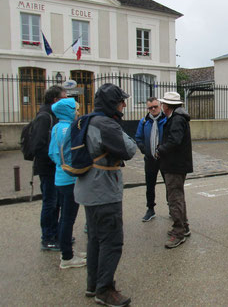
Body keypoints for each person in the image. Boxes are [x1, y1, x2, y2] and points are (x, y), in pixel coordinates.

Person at [74, 83, 136, 306]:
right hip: (104, 191)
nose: (124, 105)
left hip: (86, 189)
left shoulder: (84, 120)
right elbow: (129, 149)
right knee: (112, 241)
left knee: (95, 239)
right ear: (113, 104)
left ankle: (93, 284)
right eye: (121, 101)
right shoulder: (107, 124)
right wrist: (120, 130)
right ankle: (105, 290)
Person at [48, 98, 86, 269]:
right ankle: (67, 257)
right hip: (71, 178)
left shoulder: (56, 128)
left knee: (64, 217)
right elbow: (77, 153)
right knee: (68, 219)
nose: (77, 112)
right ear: (69, 111)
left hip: (59, 176)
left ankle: (67, 251)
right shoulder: (71, 128)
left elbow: (51, 153)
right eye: (75, 109)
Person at [31, 85, 67, 251]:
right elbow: (38, 145)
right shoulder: (45, 117)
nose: (66, 100)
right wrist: (55, 156)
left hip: (55, 167)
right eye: (64, 97)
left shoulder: (53, 115)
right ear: (56, 100)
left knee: (57, 202)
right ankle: (48, 237)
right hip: (48, 168)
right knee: (50, 203)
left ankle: (57, 234)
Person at [156, 92, 193, 249]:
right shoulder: (178, 118)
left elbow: (174, 141)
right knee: (178, 196)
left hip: (174, 165)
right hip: (177, 164)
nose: (161, 107)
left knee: (174, 198)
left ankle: (178, 231)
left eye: (163, 104)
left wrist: (160, 149)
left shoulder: (176, 119)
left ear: (166, 106)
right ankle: (183, 226)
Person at [135, 97, 167, 222]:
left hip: (164, 159)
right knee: (150, 186)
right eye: (150, 107)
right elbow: (138, 138)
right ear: (147, 108)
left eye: (155, 106)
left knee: (168, 184)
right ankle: (150, 209)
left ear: (160, 106)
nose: (153, 109)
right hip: (150, 159)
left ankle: (171, 207)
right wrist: (145, 150)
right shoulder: (144, 121)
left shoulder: (166, 120)